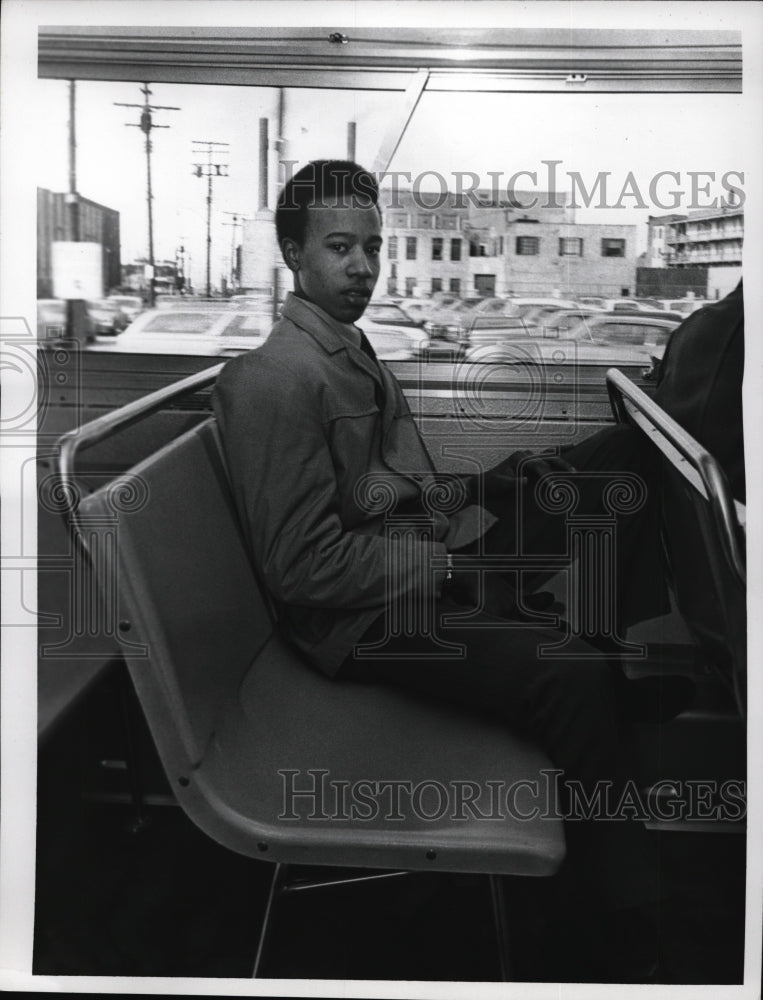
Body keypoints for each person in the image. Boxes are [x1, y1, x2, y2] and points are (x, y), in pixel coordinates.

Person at [213, 160, 687, 981]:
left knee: (616, 458)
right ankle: (624, 934)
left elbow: (392, 489)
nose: (362, 267)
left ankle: (602, 652)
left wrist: (488, 487)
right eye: (338, 248)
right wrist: (448, 569)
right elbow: (300, 569)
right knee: (565, 676)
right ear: (293, 253)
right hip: (365, 617)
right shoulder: (275, 380)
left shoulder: (349, 348)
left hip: (419, 554)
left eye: (371, 247)